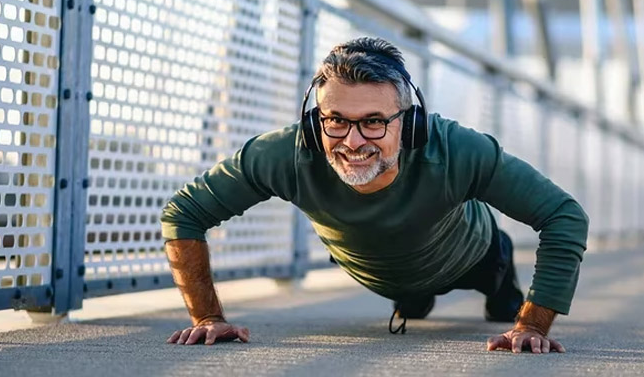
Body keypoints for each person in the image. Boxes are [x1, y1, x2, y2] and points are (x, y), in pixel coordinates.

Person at [160, 37, 589, 354]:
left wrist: (532, 323)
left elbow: (563, 215)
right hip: (385, 274)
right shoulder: (284, 154)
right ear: (314, 122)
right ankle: (413, 296)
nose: (352, 141)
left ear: (411, 123)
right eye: (336, 121)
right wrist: (208, 318)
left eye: (373, 122)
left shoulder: (459, 149)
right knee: (412, 303)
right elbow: (184, 212)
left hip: (471, 257)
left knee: (501, 298)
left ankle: (500, 289)